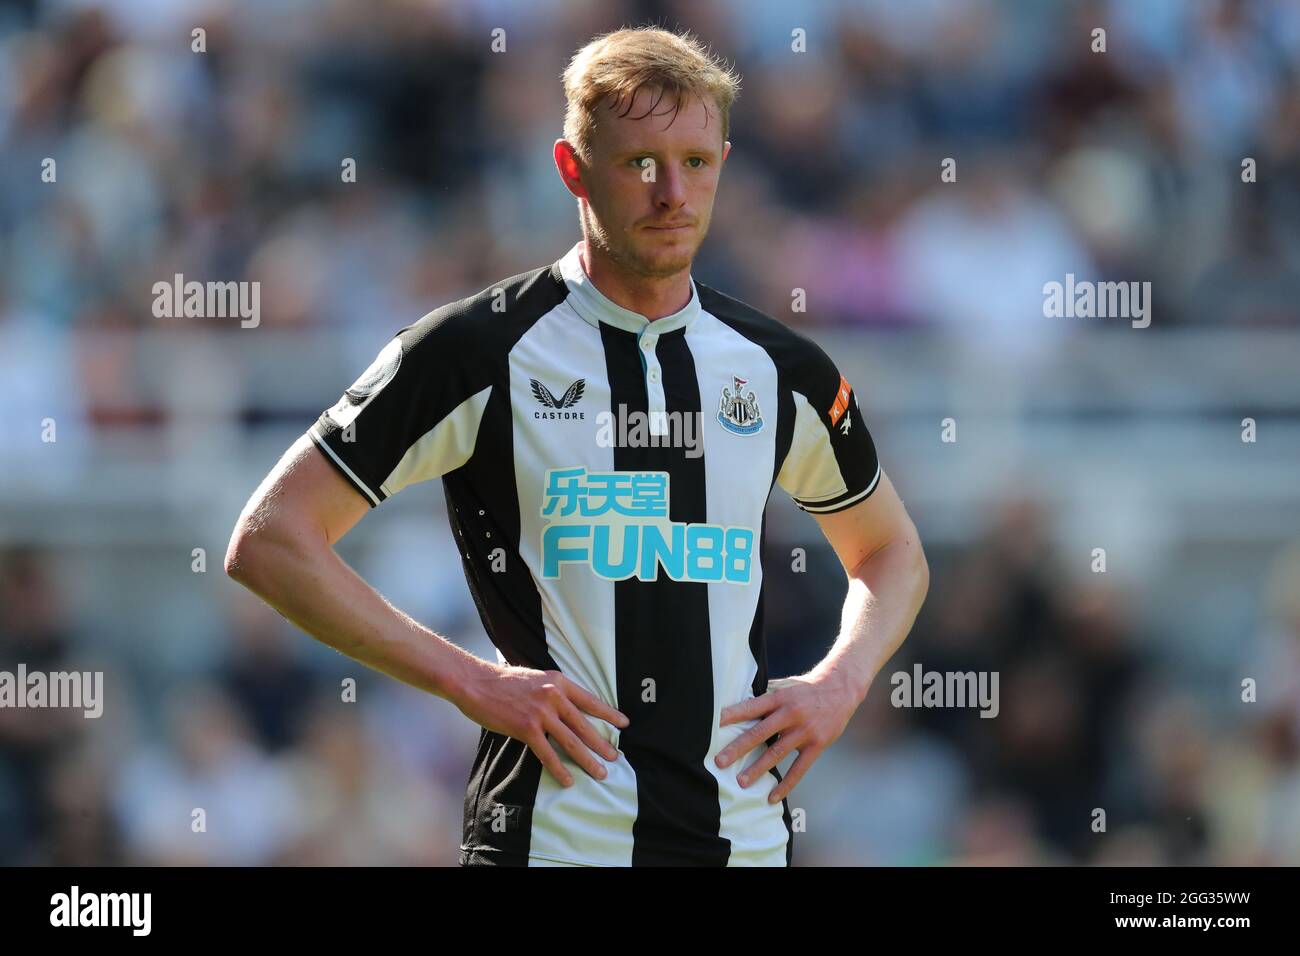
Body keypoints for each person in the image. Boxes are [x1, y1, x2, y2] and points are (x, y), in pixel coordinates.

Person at [225, 26, 929, 867]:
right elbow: (271, 540)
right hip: (547, 844)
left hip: (741, 846)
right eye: (640, 163)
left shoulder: (780, 369)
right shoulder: (475, 350)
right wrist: (470, 682)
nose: (673, 192)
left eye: (697, 163)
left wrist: (839, 681)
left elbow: (891, 550)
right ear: (571, 169)